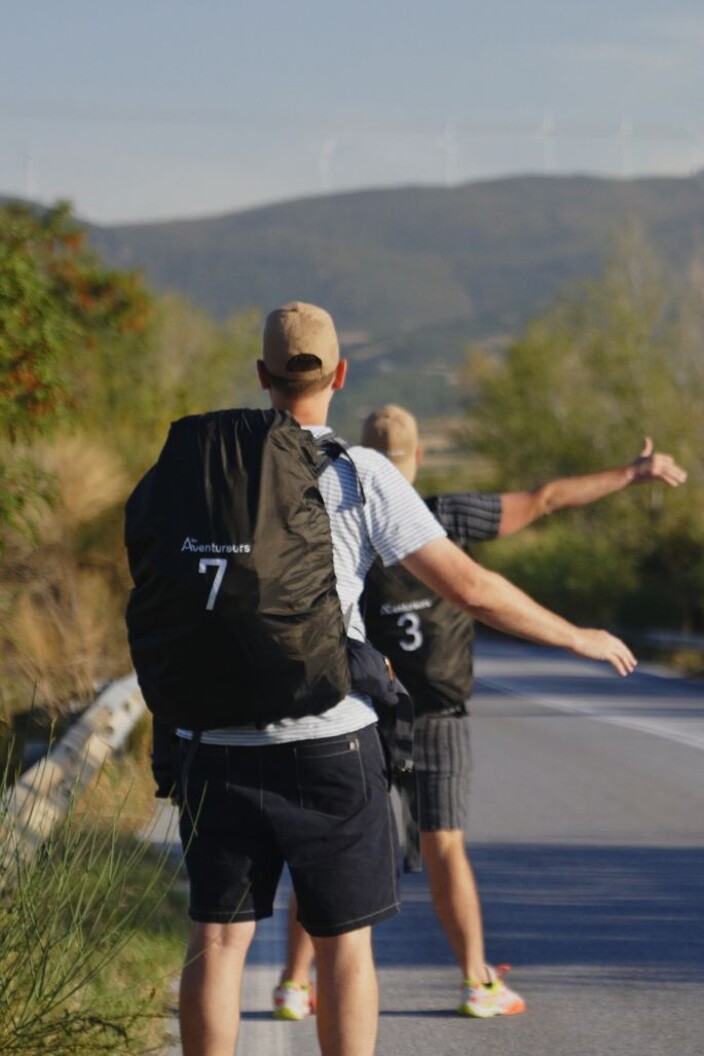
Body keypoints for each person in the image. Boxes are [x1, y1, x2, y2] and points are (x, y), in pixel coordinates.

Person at [168, 303, 635, 1056]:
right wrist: (575, 635)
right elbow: (472, 589)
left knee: (218, 942)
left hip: (216, 740)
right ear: (340, 375)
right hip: (330, 745)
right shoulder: (360, 473)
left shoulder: (202, 472)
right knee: (345, 943)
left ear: (261, 377)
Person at [273, 402, 686, 1023]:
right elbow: (544, 499)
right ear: (417, 458)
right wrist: (629, 474)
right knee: (445, 847)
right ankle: (475, 982)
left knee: (329, 847)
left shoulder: (339, 503)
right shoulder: (443, 515)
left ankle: (292, 985)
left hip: (359, 707)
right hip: (435, 714)